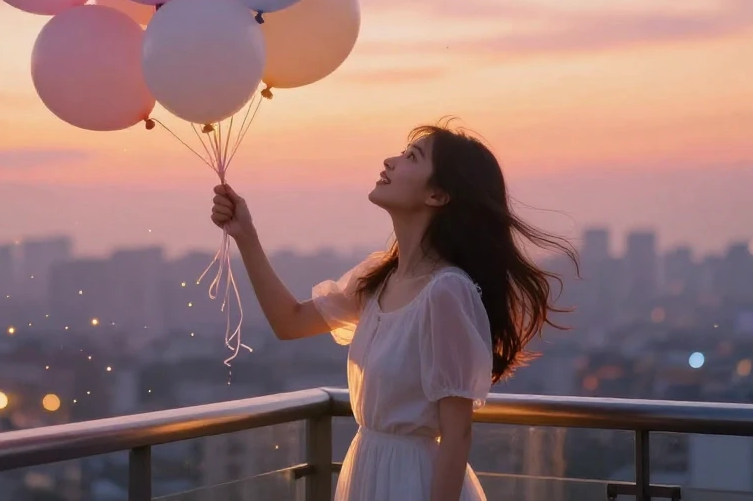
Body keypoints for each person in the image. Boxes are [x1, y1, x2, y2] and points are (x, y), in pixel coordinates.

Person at [211, 121, 577, 501]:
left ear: (437, 195)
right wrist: (245, 235)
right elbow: (290, 322)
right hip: (368, 468)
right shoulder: (378, 277)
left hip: (412, 480)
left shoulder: (446, 292)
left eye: (411, 157)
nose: (390, 161)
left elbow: (457, 433)